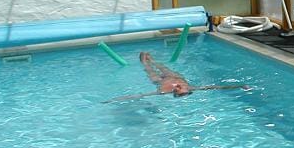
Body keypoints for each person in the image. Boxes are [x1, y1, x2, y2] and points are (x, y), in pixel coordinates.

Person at [105, 52, 247, 102]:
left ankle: (145, 62)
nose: (180, 87)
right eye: (183, 88)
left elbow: (141, 95)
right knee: (166, 69)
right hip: (172, 76)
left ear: (175, 92)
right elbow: (216, 87)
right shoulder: (192, 87)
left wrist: (116, 99)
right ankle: (153, 60)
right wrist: (239, 85)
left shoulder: (163, 91)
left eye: (178, 89)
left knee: (152, 74)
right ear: (187, 88)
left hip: (160, 81)